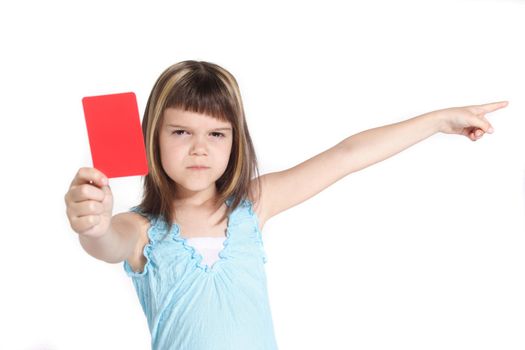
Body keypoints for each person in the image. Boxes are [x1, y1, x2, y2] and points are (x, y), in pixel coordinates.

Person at [64, 60, 508, 350]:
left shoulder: (252, 206)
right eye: (181, 132)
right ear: (152, 138)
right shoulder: (141, 229)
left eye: (216, 134)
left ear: (235, 142)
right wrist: (94, 224)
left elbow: (346, 155)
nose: (200, 148)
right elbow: (107, 242)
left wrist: (437, 121)